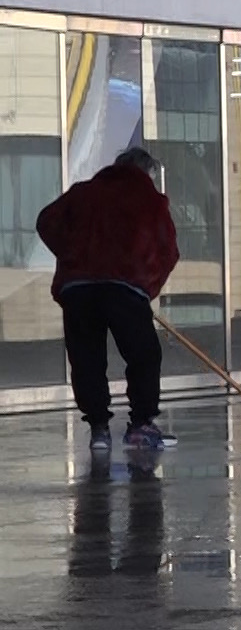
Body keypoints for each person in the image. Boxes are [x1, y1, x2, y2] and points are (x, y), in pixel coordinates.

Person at [36, 147, 181, 458]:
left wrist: (73, 255)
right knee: (144, 355)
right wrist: (147, 285)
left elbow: (46, 221)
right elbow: (169, 250)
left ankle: (99, 429)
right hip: (124, 287)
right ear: (146, 173)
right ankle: (141, 425)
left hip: (79, 288)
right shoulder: (149, 200)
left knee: (86, 358)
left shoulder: (83, 193)